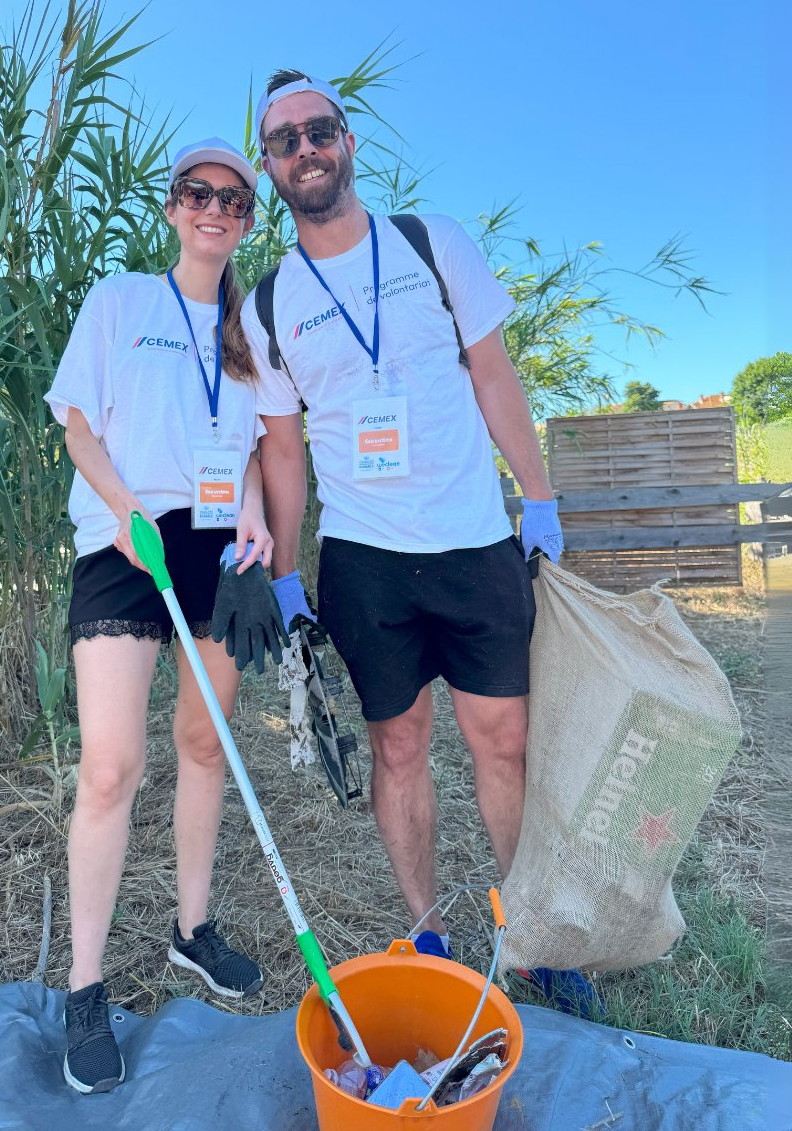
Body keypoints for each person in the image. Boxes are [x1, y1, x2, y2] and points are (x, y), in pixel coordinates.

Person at [241, 72, 599, 1017]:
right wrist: (285, 574)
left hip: (476, 542)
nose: (305, 149)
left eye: (319, 129)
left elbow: (494, 373)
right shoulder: (269, 304)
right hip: (363, 562)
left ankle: (528, 937)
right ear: (272, 167)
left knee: (504, 743)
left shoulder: (430, 244)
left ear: (348, 140)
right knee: (398, 747)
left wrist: (542, 496)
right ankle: (430, 931)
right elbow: (282, 451)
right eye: (284, 141)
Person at [44, 138, 275, 1094]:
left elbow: (256, 441)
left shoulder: (249, 328)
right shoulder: (122, 300)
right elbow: (75, 421)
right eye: (199, 193)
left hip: (215, 548)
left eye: (233, 198)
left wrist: (256, 515)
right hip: (123, 543)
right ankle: (85, 987)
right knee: (111, 766)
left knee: (203, 743)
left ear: (247, 220)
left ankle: (192, 929)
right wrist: (129, 510)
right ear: (173, 206)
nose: (216, 208)